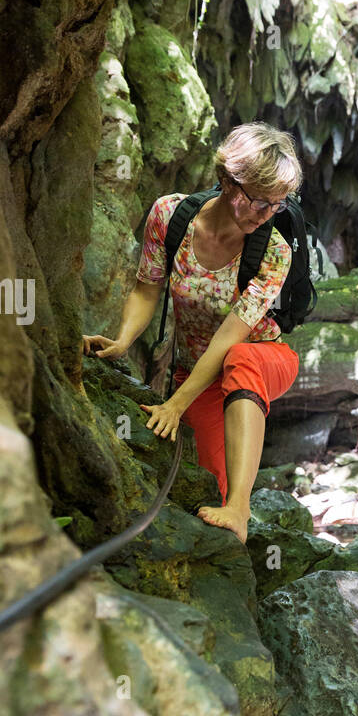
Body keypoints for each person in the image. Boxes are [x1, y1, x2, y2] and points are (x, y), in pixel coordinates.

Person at [83, 122, 302, 543]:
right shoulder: (170, 216)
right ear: (226, 180)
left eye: (277, 205)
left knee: (241, 359)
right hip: (197, 371)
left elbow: (231, 337)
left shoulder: (274, 250)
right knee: (206, 486)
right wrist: (123, 342)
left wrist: (176, 404)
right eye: (258, 200)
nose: (266, 214)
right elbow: (147, 288)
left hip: (262, 357)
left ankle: (242, 507)